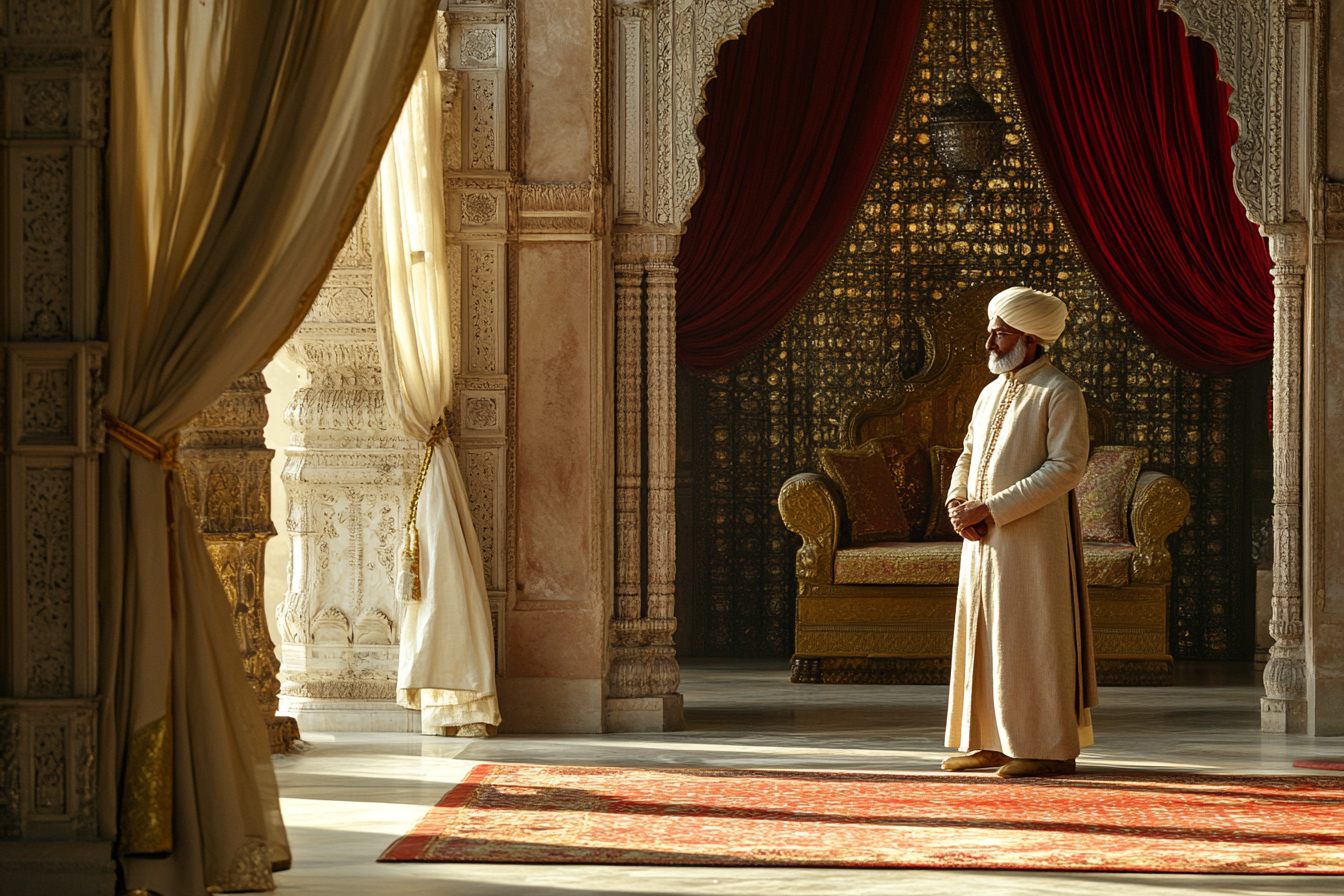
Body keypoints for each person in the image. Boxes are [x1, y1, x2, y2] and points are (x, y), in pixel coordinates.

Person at [940, 286, 1098, 778]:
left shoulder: (1059, 391)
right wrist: (957, 501)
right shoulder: (990, 392)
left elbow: (1066, 468)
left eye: (1000, 334)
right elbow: (967, 451)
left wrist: (992, 508)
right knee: (984, 633)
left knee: (1032, 636)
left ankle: (1046, 748)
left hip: (1032, 540)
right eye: (990, 332)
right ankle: (989, 741)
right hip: (981, 538)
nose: (990, 343)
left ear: (1031, 340)